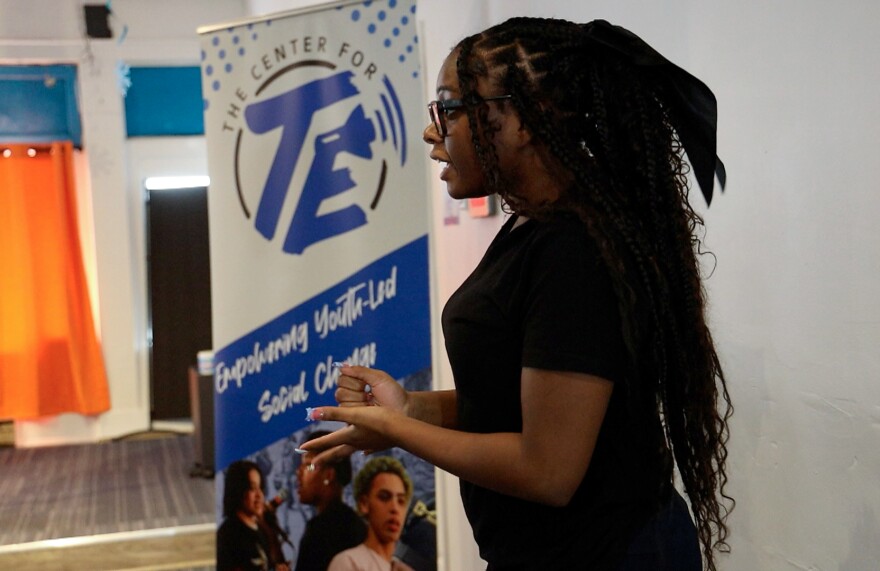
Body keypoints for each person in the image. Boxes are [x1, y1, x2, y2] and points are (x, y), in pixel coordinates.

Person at [301, 17, 733, 571]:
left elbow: (547, 471)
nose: (433, 133)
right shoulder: (531, 227)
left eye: (447, 109)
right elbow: (514, 398)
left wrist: (398, 430)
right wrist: (410, 407)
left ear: (522, 120)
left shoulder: (575, 250)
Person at [294, 430, 367, 571]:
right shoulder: (356, 525)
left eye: (308, 465)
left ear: (329, 475)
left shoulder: (320, 532)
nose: (299, 473)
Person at [328, 457, 415, 571]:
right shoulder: (349, 563)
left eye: (401, 501)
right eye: (384, 497)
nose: (395, 508)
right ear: (364, 504)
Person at [217, 459, 291, 571]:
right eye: (252, 488)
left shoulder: (262, 529)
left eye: (260, 487)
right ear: (238, 490)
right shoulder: (228, 535)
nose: (259, 495)